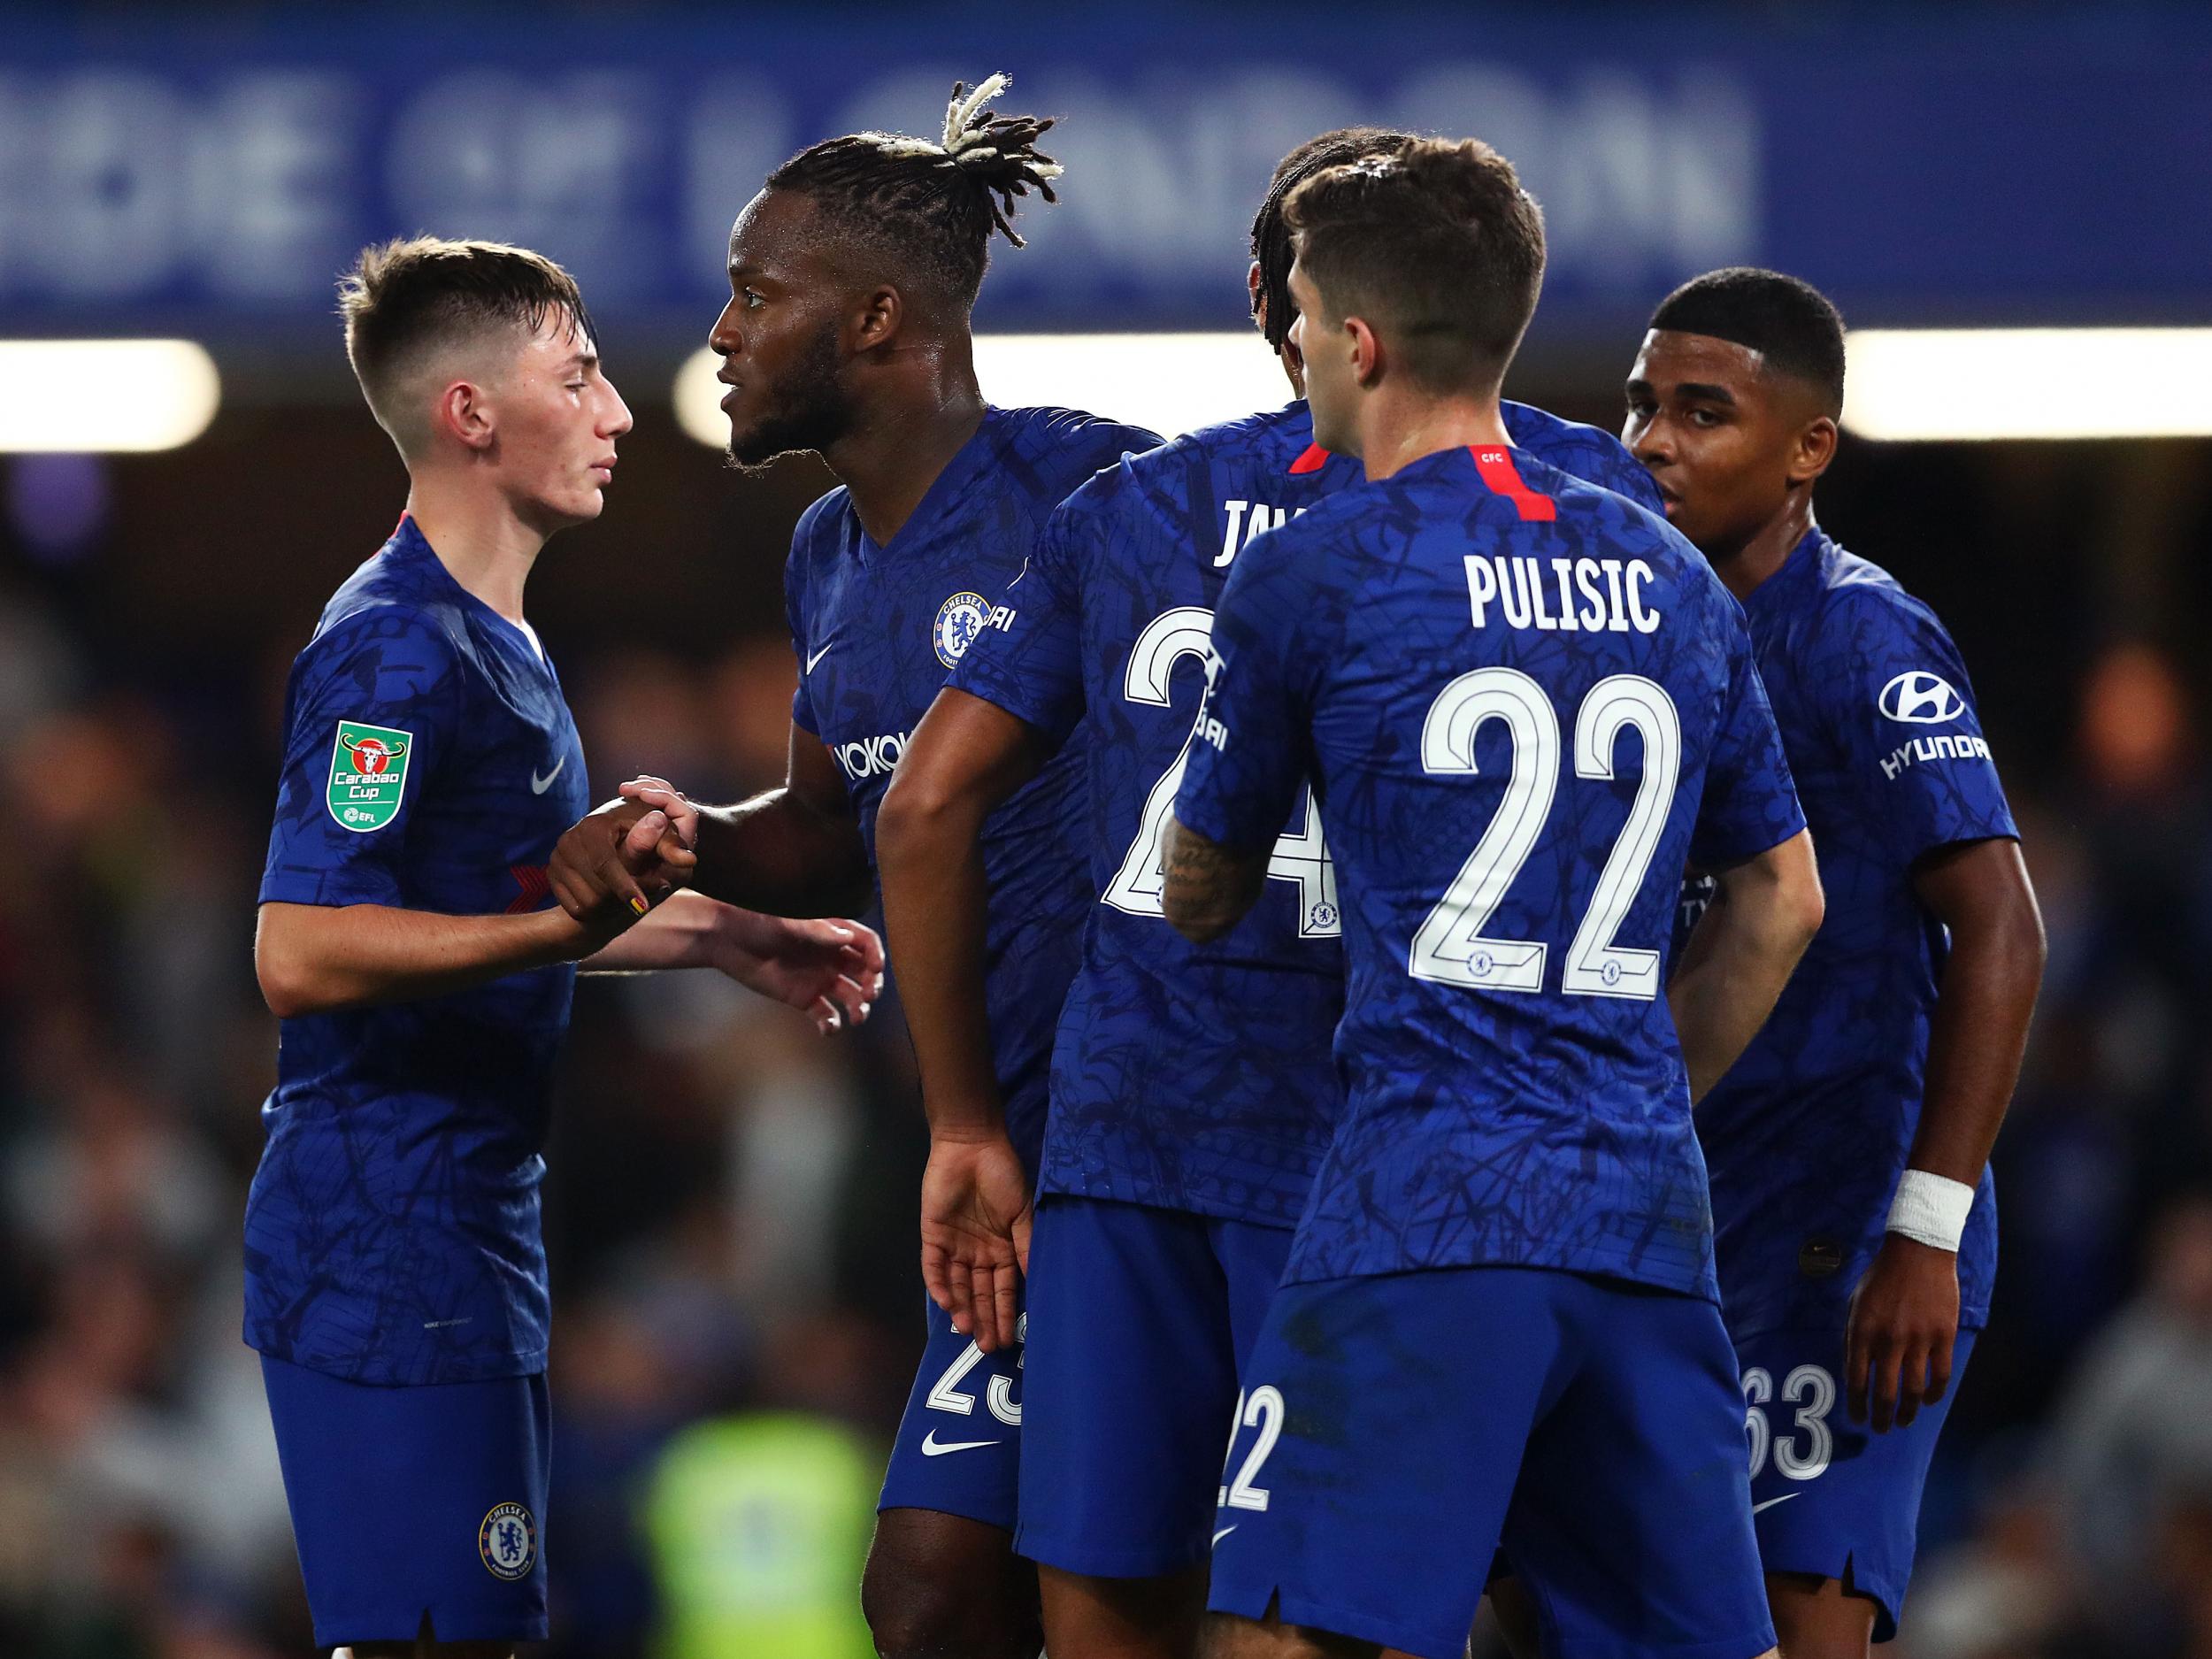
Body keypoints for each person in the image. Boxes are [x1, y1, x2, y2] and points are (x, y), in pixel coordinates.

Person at [872, 125, 1666, 1659]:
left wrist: (969, 1123)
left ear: (1287, 302)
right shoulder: (1587, 503)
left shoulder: (1130, 514)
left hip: (1135, 1135)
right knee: (1429, 1601)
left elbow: (921, 804)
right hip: (1416, 1159)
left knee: (1111, 1598)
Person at [1163, 139, 1824, 1659]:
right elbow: (1783, 903)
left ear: (1359, 340)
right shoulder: (1673, 576)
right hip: (1647, 1223)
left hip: (1422, 1209)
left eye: (1309, 317)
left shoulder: (1313, 574)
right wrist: (1632, 1086)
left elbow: (1198, 892)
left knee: (1283, 1634)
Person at [545, 76, 1161, 1659]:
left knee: (1141, 1597)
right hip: (1003, 1165)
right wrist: (696, 836)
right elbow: (837, 822)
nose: (724, 331)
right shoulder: (827, 554)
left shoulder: (1104, 495)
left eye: (761, 293)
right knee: (930, 1591)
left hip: (1168, 1149)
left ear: (880, 316)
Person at [249, 236, 880, 1659]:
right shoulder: (391, 650)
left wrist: (730, 937)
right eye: (579, 375)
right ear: (470, 413)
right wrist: (563, 921)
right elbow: (300, 950)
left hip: (471, 1227)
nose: (618, 413)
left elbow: (499, 910)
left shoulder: (506, 646)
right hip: (378, 1239)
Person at [1623, 268, 2045, 1655]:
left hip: (1847, 1222)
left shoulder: (1862, 638)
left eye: (1704, 412)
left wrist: (1924, 1229)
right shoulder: (1638, 623)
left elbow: (2000, 924)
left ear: (1809, 451)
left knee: (1801, 1619)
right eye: (1642, 405)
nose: (1656, 441)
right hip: (1690, 1208)